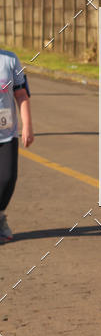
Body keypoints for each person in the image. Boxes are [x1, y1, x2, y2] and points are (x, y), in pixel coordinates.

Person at [0, 49, 34, 242]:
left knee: (7, 179)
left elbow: (21, 94)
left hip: (7, 134)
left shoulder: (9, 60)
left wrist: (27, 126)